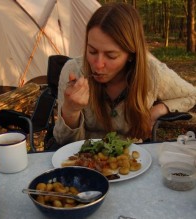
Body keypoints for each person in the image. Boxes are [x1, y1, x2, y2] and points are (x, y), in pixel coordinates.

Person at [53, 2, 196, 146]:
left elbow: (192, 94)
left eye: (111, 55)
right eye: (92, 51)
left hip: (132, 160)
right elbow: (65, 143)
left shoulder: (152, 73)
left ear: (131, 55)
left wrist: (157, 110)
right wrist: (71, 111)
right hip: (84, 158)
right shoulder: (73, 71)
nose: (97, 64)